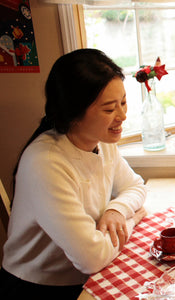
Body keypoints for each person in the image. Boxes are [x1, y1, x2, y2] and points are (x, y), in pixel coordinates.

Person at [0, 49, 147, 298]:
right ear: (74, 113)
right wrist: (132, 219)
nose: (122, 116)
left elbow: (136, 187)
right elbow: (91, 257)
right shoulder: (45, 163)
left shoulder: (101, 141)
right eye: (109, 109)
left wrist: (116, 211)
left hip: (86, 274)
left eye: (123, 102)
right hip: (40, 286)